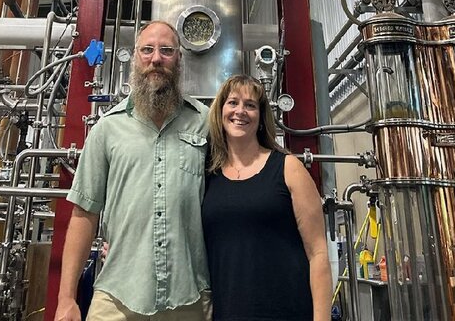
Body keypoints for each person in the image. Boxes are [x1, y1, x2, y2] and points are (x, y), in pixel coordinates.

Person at [54, 21, 211, 321]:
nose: (156, 59)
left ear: (179, 58)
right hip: (117, 297)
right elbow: (84, 214)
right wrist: (66, 299)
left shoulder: (204, 123)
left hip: (189, 298)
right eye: (147, 50)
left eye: (166, 51)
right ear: (134, 57)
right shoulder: (107, 128)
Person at [201, 74, 333, 321]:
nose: (240, 111)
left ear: (261, 118)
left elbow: (318, 253)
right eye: (233, 102)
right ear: (220, 112)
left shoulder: (288, 168)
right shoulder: (208, 175)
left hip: (287, 312)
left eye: (250, 105)